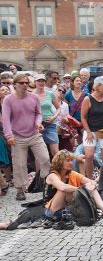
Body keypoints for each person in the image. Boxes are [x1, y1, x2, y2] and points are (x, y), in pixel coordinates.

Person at [1, 73, 51, 201]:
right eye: (21, 83)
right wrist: (8, 135)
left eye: (26, 83)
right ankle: (20, 189)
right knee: (19, 164)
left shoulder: (33, 97)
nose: (24, 85)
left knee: (45, 159)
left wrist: (38, 123)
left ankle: (47, 182)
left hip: (34, 134)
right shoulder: (8, 99)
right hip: (17, 136)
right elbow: (6, 119)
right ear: (15, 85)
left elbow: (38, 114)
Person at [43, 150, 103, 229]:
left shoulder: (71, 174)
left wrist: (90, 185)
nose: (71, 163)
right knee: (64, 190)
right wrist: (81, 189)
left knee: (90, 187)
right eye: (67, 161)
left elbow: (91, 182)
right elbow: (62, 187)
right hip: (51, 210)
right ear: (59, 162)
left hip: (67, 207)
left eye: (71, 160)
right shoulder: (52, 175)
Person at [80, 76, 103, 179]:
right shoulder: (88, 99)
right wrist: (87, 131)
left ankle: (102, 180)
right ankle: (90, 179)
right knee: (89, 156)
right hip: (90, 130)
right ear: (98, 86)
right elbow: (83, 118)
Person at [32, 73, 61, 158]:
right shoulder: (31, 95)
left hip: (50, 124)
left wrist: (54, 117)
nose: (41, 83)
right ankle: (40, 171)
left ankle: (59, 170)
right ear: (35, 82)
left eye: (43, 81)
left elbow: (58, 108)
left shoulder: (50, 94)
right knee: (39, 154)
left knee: (55, 152)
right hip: (36, 126)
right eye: (39, 81)